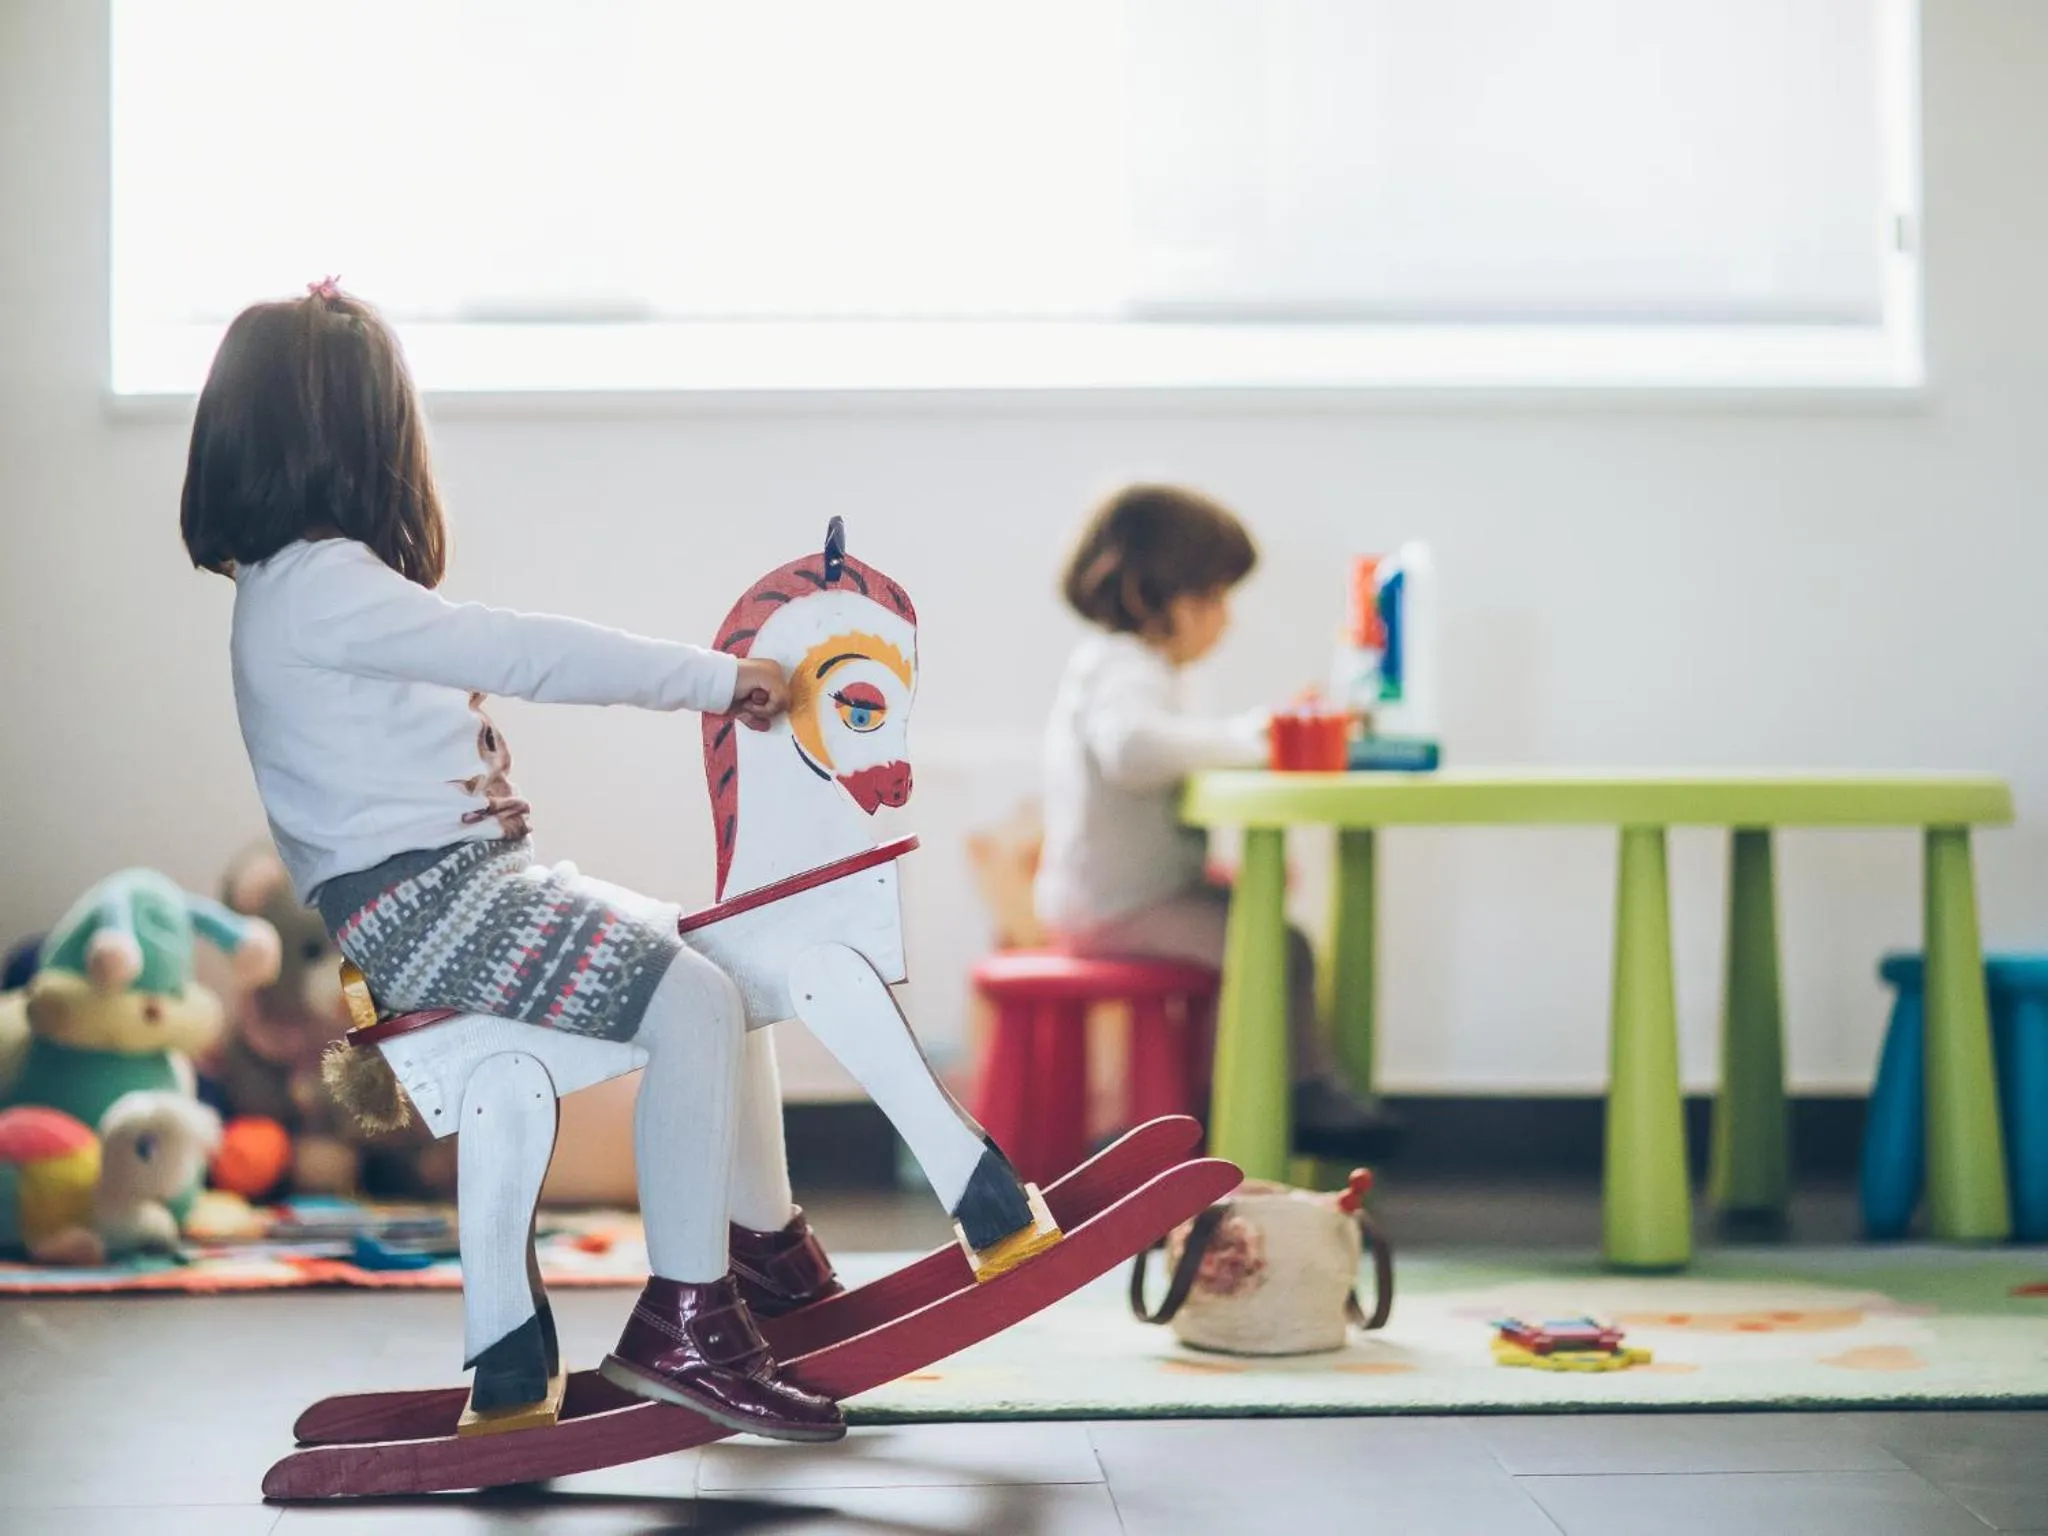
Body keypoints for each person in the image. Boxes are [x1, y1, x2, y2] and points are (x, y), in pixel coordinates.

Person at [179, 281, 843, 1442]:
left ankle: (760, 1252)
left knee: (718, 967)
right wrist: (710, 679)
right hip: (429, 906)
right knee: (692, 998)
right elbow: (522, 651)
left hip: (460, 889)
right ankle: (688, 1318)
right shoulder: (321, 586)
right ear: (358, 439)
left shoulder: (295, 588)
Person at [1034, 483, 1394, 1158]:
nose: (1226, 619)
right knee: (1276, 946)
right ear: (1149, 597)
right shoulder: (1123, 666)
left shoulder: (1140, 671)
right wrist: (1253, 737)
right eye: (1213, 597)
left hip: (1124, 893)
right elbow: (1131, 750)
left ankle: (1260, 1089)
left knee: (1266, 928)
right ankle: (1299, 1093)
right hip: (1121, 903)